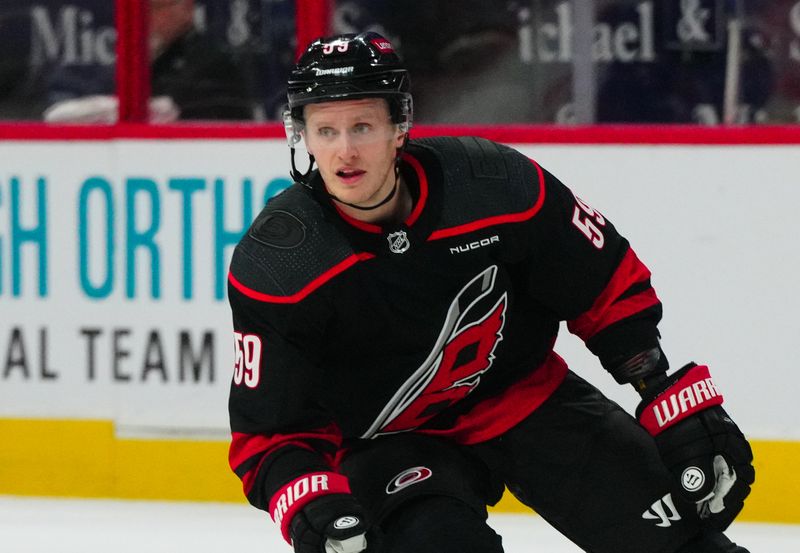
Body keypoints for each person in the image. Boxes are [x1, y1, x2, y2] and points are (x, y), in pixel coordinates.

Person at [227, 32, 754, 553]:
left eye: (363, 125)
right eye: (325, 130)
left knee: (686, 547)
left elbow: (602, 282)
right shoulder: (280, 265)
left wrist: (660, 387)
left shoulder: (495, 184)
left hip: (525, 400)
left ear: (398, 125)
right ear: (302, 136)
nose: (345, 151)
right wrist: (309, 508)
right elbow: (269, 432)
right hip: (385, 444)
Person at [43, 0, 252, 123]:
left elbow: (170, 109)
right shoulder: (150, 59)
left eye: (157, 8)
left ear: (186, 9)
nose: (149, 18)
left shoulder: (209, 60)